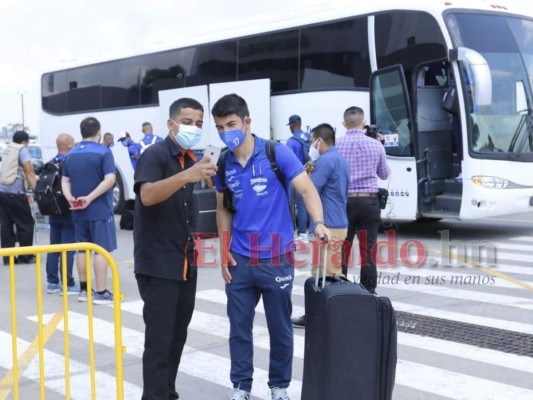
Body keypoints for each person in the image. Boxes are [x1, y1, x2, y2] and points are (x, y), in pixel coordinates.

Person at [212, 94, 329, 400]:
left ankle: (279, 386)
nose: (226, 132)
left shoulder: (276, 153)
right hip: (239, 259)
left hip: (277, 257)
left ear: (247, 121)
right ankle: (241, 387)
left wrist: (317, 222)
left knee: (280, 328)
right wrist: (223, 251)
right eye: (220, 127)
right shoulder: (223, 162)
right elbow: (223, 209)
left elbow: (307, 189)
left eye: (231, 124)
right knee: (239, 329)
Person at [133, 98, 217, 400]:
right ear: (171, 124)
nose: (193, 128)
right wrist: (188, 176)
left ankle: (167, 393)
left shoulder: (190, 159)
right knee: (159, 342)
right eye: (187, 121)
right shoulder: (155, 155)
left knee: (177, 338)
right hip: (158, 265)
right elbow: (147, 196)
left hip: (185, 262)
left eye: (198, 123)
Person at [291, 123, 349, 329]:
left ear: (319, 141)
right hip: (340, 222)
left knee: (321, 275)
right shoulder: (341, 159)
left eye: (311, 141)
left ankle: (319, 316)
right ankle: (334, 314)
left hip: (327, 226)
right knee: (334, 271)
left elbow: (309, 190)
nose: (310, 145)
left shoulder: (324, 162)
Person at [61, 116, 117, 304]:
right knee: (101, 250)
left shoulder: (72, 153)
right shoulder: (104, 152)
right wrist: (90, 198)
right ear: (99, 132)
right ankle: (101, 293)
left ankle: (85, 291)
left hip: (78, 211)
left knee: (82, 250)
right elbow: (109, 180)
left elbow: (65, 180)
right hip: (99, 209)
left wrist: (72, 199)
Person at [337, 106, 390, 295]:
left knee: (342, 249)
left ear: (344, 124)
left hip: (344, 203)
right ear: (364, 122)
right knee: (368, 251)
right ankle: (369, 292)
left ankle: (339, 290)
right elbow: (384, 174)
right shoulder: (375, 145)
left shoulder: (336, 145)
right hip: (369, 203)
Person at [46, 133, 79, 294]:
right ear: (70, 146)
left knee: (55, 247)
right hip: (67, 209)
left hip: (53, 210)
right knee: (68, 248)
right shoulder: (70, 162)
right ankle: (68, 282)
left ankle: (52, 282)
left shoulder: (51, 163)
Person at [0, 130, 37, 265]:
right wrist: (35, 189)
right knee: (26, 223)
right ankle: (25, 256)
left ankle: (8, 257)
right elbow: (28, 169)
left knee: (6, 225)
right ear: (24, 141)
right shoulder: (21, 149)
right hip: (15, 193)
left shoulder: (8, 148)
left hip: (2, 192)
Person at [285, 114, 311, 243]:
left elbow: (288, 161)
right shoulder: (308, 137)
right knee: (305, 204)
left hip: (295, 176)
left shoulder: (291, 141)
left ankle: (297, 233)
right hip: (308, 174)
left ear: (292, 125)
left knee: (293, 204)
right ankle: (306, 233)